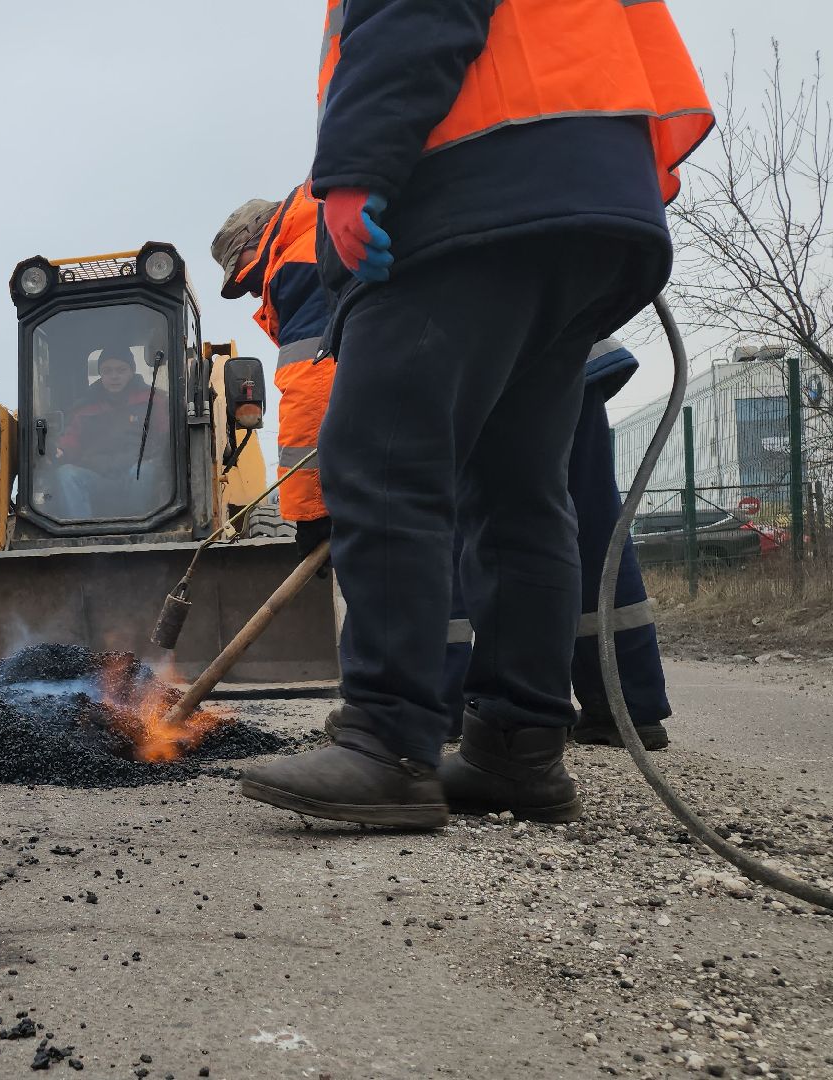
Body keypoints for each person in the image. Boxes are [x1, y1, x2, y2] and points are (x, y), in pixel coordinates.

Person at [240, 0, 711, 828]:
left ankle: (386, 741)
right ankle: (516, 747)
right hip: (592, 193)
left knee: (384, 458)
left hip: (477, 187)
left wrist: (355, 168)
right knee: (518, 487)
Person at [442, 339, 674, 750]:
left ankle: (435, 703)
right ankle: (626, 703)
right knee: (589, 522)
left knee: (445, 522)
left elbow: (314, 377)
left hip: (475, 351)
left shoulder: (297, 273)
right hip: (570, 344)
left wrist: (315, 506)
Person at [211, 184, 334, 548]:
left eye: (246, 274)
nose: (252, 291)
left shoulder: (296, 263)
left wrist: (311, 512)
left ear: (259, 238)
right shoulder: (321, 233)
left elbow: (312, 389)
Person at [50, 353, 168, 518]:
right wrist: (61, 450)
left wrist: (157, 458)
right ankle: (81, 533)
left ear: (132, 372)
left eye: (121, 370)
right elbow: (71, 438)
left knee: (144, 470)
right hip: (97, 476)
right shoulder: (85, 408)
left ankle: (138, 525)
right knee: (66, 474)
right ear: (101, 374)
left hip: (136, 474)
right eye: (107, 370)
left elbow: (166, 436)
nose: (114, 376)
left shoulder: (152, 401)